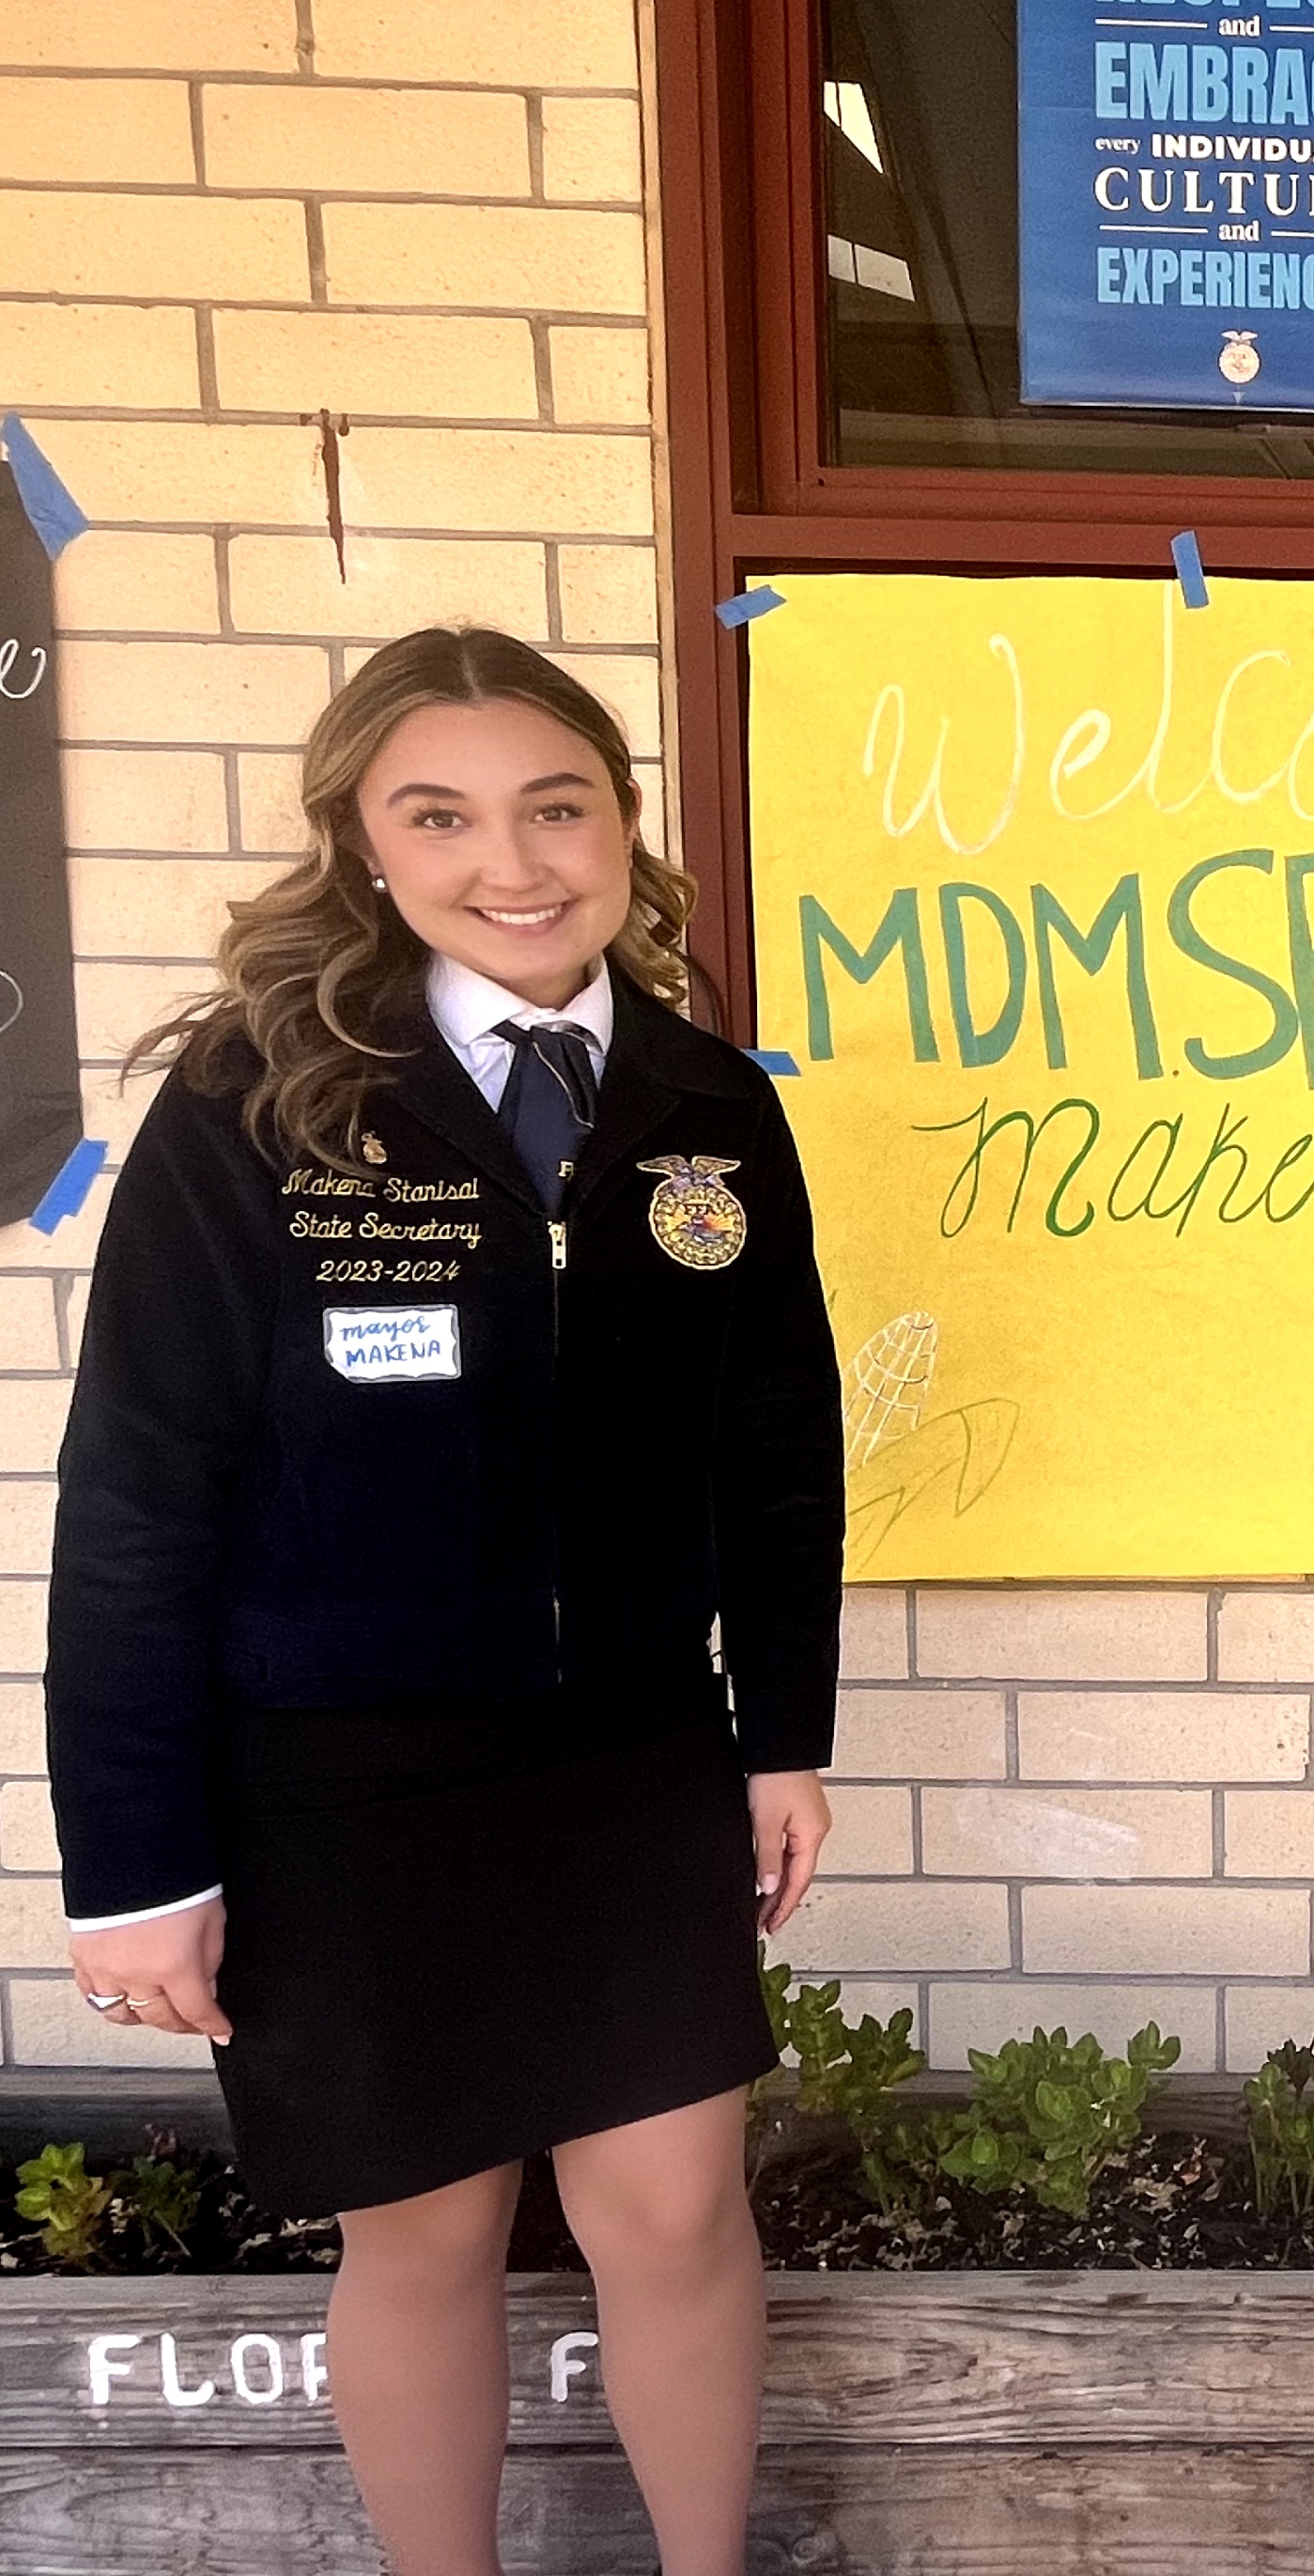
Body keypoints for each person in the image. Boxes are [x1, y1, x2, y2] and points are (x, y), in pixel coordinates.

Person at [48, 627, 844, 2576]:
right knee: (424, 2225)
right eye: (443, 813)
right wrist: (131, 1856)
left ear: (624, 826)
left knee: (675, 2209)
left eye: (556, 803)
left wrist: (784, 1730)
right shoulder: (263, 1100)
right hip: (344, 1773)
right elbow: (140, 1489)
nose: (514, 858)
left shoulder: (705, 1099)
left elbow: (780, 1444)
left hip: (628, 1749)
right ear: (365, 845)